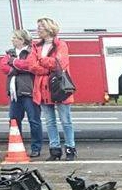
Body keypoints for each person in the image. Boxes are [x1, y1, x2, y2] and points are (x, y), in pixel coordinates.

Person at [19, 18, 75, 161]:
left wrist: (42, 60)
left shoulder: (61, 45)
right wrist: (46, 68)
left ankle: (70, 149)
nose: (38, 30)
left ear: (49, 29)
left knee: (65, 120)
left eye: (40, 27)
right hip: (42, 88)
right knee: (50, 122)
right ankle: (55, 150)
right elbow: (31, 65)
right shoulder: (36, 46)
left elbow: (60, 63)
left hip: (58, 88)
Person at [0, 30, 41, 158]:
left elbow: (30, 66)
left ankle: (36, 148)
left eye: (15, 38)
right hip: (14, 93)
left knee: (34, 120)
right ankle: (17, 146)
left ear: (22, 40)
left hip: (29, 91)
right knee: (14, 120)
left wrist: (13, 64)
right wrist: (18, 67)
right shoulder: (10, 53)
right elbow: (3, 67)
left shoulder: (31, 52)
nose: (12, 40)